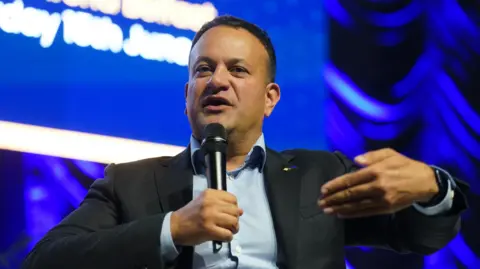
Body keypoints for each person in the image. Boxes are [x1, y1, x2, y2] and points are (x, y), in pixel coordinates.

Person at [22, 15, 469, 269]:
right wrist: (172, 229)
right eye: (203, 70)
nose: (217, 81)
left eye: (237, 70)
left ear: (270, 98)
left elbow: (415, 236)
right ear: (187, 96)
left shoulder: (319, 175)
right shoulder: (131, 183)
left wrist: (436, 189)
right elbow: (46, 262)